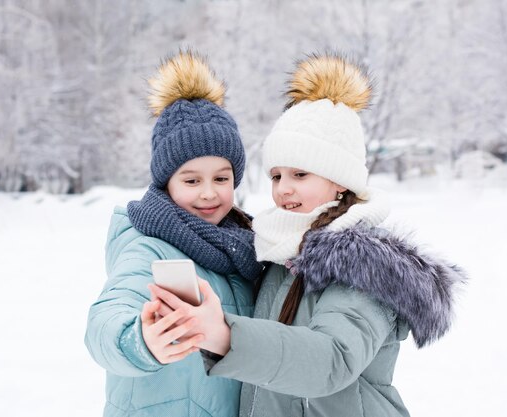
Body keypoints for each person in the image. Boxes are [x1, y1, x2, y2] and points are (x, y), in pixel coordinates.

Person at [149, 53, 467, 417]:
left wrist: (225, 336)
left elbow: (332, 359)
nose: (283, 189)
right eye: (276, 176)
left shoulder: (363, 264)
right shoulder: (280, 254)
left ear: (339, 183)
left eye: (300, 175)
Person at [84, 50, 263, 417]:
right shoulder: (150, 248)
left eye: (221, 178)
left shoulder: (243, 249)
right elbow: (107, 316)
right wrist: (140, 342)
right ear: (167, 183)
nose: (209, 192)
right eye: (192, 180)